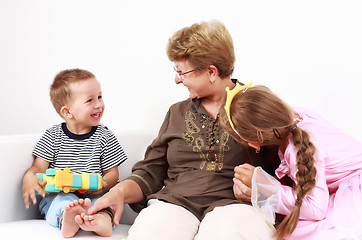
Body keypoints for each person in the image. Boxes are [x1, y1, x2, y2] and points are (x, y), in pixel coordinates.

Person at [87, 20, 279, 240]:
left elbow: (285, 170)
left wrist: (262, 188)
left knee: (227, 233)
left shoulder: (257, 107)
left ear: (211, 72)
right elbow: (150, 171)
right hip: (174, 203)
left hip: (235, 206)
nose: (177, 80)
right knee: (151, 232)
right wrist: (118, 193)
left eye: (182, 72)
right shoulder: (176, 113)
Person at [219, 83, 362, 240]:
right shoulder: (298, 116)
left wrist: (266, 187)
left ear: (253, 143)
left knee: (301, 233)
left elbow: (316, 209)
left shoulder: (296, 149)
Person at [22, 69, 127, 238]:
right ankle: (67, 219)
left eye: (99, 97)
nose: (98, 104)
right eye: (89, 100)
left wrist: (103, 184)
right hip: (60, 196)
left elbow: (112, 173)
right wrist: (29, 178)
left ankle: (102, 221)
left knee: (104, 204)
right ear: (67, 112)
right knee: (61, 203)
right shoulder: (52, 136)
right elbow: (37, 167)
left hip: (95, 195)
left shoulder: (105, 136)